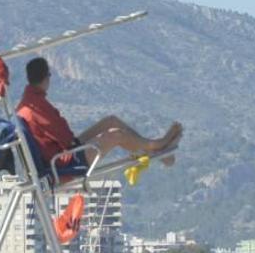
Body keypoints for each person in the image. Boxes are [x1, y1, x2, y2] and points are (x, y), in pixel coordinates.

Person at [14, 57, 183, 179]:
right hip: (67, 162)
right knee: (116, 134)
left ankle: (156, 150)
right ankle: (157, 145)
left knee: (111, 121)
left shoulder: (28, 101)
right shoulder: (34, 107)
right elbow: (63, 135)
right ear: (46, 77)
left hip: (66, 150)